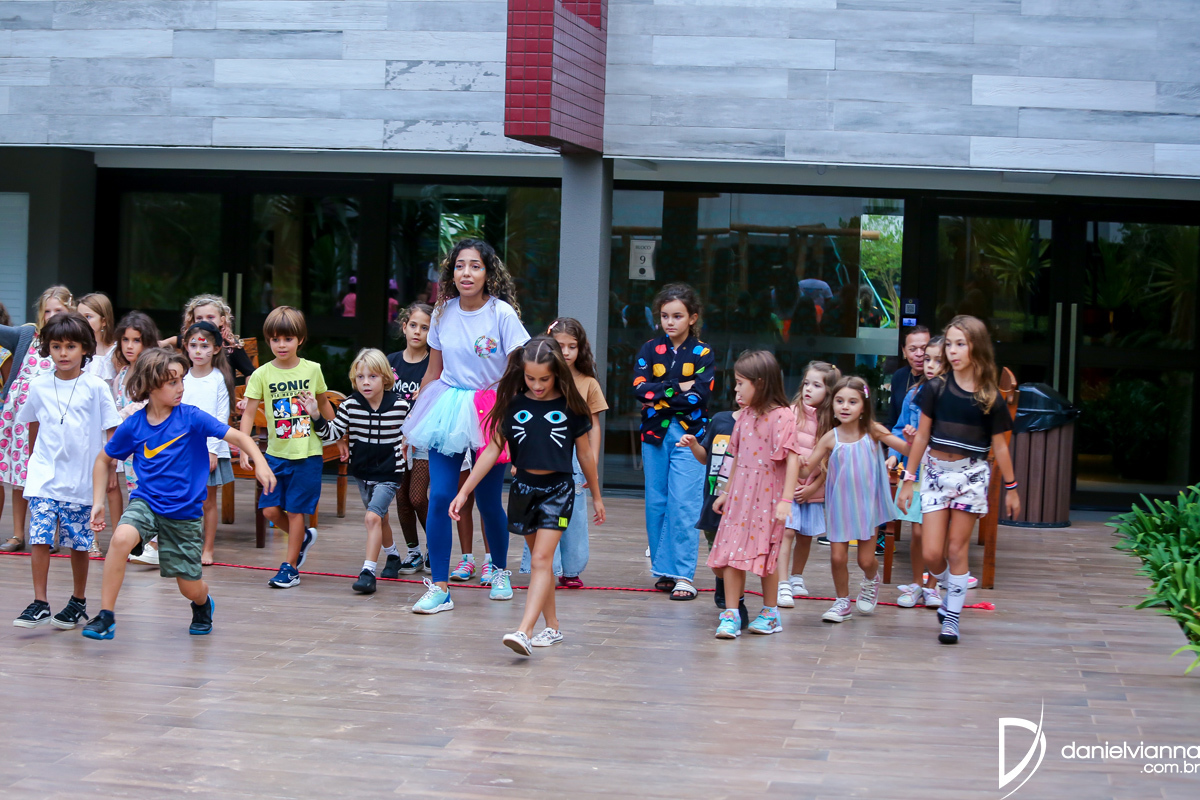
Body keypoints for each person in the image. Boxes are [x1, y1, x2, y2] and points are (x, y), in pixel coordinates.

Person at [82, 349, 276, 640]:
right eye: (172, 382)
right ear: (150, 385)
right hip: (146, 502)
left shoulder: (191, 417)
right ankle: (106, 616)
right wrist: (98, 501)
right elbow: (102, 460)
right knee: (120, 539)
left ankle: (202, 603)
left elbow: (237, 436)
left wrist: (260, 462)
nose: (181, 387)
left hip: (184, 514)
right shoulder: (134, 425)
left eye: (181, 380)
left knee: (189, 587)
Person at [450, 336, 605, 655]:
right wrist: (464, 491)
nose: (537, 385)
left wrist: (597, 496)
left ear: (557, 373)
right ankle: (553, 626)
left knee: (541, 560)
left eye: (544, 379)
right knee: (541, 565)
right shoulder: (513, 404)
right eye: (531, 378)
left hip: (558, 491)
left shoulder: (571, 405)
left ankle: (524, 630)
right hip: (523, 491)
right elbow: (492, 449)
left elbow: (585, 454)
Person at [401, 239, 530, 613]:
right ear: (451, 272)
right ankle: (440, 587)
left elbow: (518, 372)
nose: (466, 273)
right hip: (448, 407)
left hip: (491, 409)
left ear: (488, 273)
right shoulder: (442, 312)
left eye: (475, 266)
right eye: (460, 266)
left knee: (488, 500)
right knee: (440, 495)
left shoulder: (502, 314)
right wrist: (413, 423)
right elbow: (433, 371)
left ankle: (500, 571)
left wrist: (512, 420)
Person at [897, 315, 1020, 645]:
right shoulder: (935, 389)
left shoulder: (990, 397)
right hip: (935, 473)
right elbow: (922, 437)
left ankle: (951, 616)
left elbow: (1000, 447)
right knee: (932, 553)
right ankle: (953, 585)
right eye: (949, 344)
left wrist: (1011, 488)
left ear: (976, 347)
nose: (952, 350)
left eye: (960, 344)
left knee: (956, 547)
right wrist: (908, 479)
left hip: (971, 476)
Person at [12, 313, 120, 630]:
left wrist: (111, 469)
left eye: (70, 346)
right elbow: (33, 424)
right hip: (45, 475)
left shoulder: (96, 387)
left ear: (84, 348)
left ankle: (78, 600)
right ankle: (40, 602)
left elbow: (111, 430)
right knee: (40, 536)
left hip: (82, 478)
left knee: (78, 542)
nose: (63, 353)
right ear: (47, 348)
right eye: (56, 346)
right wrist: (32, 462)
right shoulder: (38, 385)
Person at [705, 351, 801, 639]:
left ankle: (770, 614)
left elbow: (792, 460)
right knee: (731, 554)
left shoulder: (783, 417)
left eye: (740, 383)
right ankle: (731, 615)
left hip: (767, 498)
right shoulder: (744, 416)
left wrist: (786, 500)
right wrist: (725, 492)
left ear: (760, 383)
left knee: (765, 556)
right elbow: (735, 456)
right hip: (739, 498)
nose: (736, 389)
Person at [799, 376, 909, 625]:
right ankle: (842, 602)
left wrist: (912, 439)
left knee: (865, 560)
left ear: (863, 406)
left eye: (852, 401)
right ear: (832, 404)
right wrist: (796, 459)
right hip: (839, 507)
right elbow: (805, 471)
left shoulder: (873, 431)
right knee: (837, 558)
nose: (845, 407)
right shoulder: (830, 438)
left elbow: (908, 450)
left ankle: (871, 579)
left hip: (867, 507)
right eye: (839, 401)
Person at [241, 306, 335, 589]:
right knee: (270, 511)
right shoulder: (261, 374)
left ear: (300, 339)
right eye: (275, 339)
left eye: (288, 339)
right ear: (268, 340)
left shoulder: (312, 369)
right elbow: (248, 413)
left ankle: (290, 567)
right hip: (275, 456)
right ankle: (303, 537)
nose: (281, 345)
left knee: (295, 511)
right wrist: (245, 448)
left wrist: (340, 438)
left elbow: (324, 403)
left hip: (307, 455)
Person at [634, 283, 714, 601]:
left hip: (690, 434)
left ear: (692, 317)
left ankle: (684, 574)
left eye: (678, 316)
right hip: (654, 433)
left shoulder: (703, 353)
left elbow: (700, 395)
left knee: (684, 502)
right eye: (665, 315)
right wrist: (677, 386)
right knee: (656, 501)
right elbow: (639, 388)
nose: (670, 322)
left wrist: (659, 395)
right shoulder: (649, 349)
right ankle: (664, 570)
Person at [307, 349, 407, 595]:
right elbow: (331, 433)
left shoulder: (400, 406)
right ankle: (393, 556)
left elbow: (415, 433)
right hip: (362, 473)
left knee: (372, 518)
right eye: (360, 377)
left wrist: (409, 445)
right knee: (380, 518)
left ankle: (367, 573)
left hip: (390, 474)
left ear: (385, 378)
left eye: (372, 376)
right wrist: (316, 414)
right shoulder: (350, 405)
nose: (366, 382)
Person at [519, 317, 607, 588]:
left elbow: (593, 425)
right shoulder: (540, 380)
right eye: (560, 346)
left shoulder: (588, 383)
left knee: (574, 514)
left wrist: (593, 458)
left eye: (572, 346)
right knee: (539, 510)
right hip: (540, 455)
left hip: (575, 460)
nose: (566, 352)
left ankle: (570, 570)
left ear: (581, 348)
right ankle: (544, 567)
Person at [0, 285, 75, 554]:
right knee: (18, 474)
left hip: (49, 418)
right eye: (47, 311)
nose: (52, 316)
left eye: (58, 310)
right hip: (17, 418)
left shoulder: (71, 342)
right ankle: (18, 534)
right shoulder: (28, 335)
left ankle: (47, 534)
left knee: (49, 474)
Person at [776, 360, 839, 609]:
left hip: (813, 489)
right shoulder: (790, 413)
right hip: (788, 487)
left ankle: (796, 576)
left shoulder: (832, 423)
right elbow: (779, 448)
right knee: (787, 532)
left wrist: (813, 487)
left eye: (816, 385)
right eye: (806, 384)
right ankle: (782, 583)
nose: (808, 389)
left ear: (829, 392)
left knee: (805, 536)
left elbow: (832, 461)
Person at [887, 336, 944, 610]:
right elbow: (900, 429)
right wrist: (895, 452)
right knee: (918, 532)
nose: (929, 364)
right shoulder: (913, 395)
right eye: (928, 359)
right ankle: (916, 583)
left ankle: (932, 585)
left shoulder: (953, 398)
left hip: (942, 474)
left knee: (938, 535)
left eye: (937, 360)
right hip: (916, 472)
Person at [679, 403, 746, 628]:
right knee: (717, 559)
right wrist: (694, 444)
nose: (739, 392)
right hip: (714, 500)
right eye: (737, 387)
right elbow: (704, 457)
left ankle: (736, 602)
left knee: (734, 557)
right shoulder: (720, 420)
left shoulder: (758, 425)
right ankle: (721, 580)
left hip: (743, 502)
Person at [181, 321, 234, 566]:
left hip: (208, 449)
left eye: (204, 346)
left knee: (207, 501)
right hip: (182, 449)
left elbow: (220, 417)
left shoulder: (218, 380)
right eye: (193, 345)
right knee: (182, 498)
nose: (198, 351)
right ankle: (185, 545)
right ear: (186, 347)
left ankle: (208, 548)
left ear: (216, 348)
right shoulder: (181, 377)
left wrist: (212, 450)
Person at [386, 302, 433, 575]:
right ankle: (414, 552)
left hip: (423, 440)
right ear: (404, 327)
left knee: (417, 497)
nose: (417, 332)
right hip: (395, 439)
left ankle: (434, 547)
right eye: (413, 325)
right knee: (401, 499)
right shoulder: (390, 362)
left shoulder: (433, 364)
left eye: (425, 328)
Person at [111, 312, 160, 564]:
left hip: (151, 443)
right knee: (135, 490)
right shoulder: (121, 375)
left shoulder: (152, 373)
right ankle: (143, 542)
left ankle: (156, 545)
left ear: (147, 342)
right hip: (129, 446)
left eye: (136, 340)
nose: (129, 346)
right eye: (125, 340)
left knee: (151, 489)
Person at [163, 294, 256, 383]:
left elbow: (250, 373)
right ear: (193, 321)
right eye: (199, 318)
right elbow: (176, 340)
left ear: (222, 321)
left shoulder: (231, 345)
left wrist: (249, 394)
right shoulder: (191, 340)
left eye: (210, 317)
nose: (205, 321)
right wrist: (161, 344)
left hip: (223, 391)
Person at [888, 325, 930, 427]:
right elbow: (892, 420)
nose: (919, 354)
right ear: (904, 351)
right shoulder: (899, 376)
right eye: (913, 349)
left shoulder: (938, 379)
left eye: (924, 348)